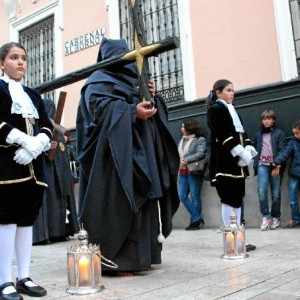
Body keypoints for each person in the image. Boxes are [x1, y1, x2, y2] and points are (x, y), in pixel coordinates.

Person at [76, 38, 180, 275]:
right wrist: (133, 111)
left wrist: (153, 98)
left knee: (143, 204)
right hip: (113, 158)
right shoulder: (98, 80)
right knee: (121, 203)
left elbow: (152, 110)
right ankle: (120, 260)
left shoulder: (138, 79)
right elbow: (98, 111)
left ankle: (144, 257)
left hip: (141, 151)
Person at [0, 42, 53, 300]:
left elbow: (45, 125)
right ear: (2, 63)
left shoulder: (34, 96)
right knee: (7, 220)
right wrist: (22, 140)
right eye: (13, 57)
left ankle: (23, 276)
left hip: (34, 170)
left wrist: (37, 145)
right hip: (7, 168)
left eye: (23, 58)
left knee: (26, 221)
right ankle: (4, 281)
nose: (20, 62)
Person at [206, 79, 257, 251]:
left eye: (233, 90)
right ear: (218, 92)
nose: (232, 93)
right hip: (225, 162)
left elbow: (242, 132)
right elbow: (221, 134)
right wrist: (239, 152)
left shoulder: (233, 109)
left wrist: (248, 149)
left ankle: (239, 238)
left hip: (238, 163)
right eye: (228, 90)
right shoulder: (215, 110)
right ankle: (230, 239)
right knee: (228, 198)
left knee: (238, 198)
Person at [32, 99, 79, 245]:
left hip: (61, 176)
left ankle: (61, 232)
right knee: (48, 204)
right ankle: (46, 235)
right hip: (48, 175)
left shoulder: (58, 131)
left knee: (60, 204)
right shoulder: (40, 129)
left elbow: (66, 143)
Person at [253, 110, 286, 231]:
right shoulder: (258, 134)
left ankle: (276, 217)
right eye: (264, 119)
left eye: (269, 118)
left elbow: (283, 150)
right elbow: (256, 149)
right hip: (262, 165)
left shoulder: (279, 133)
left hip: (275, 166)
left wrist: (278, 165)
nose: (266, 121)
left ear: (274, 120)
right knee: (261, 191)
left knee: (276, 194)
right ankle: (266, 217)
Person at [178, 118, 206, 230]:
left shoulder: (200, 140)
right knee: (182, 195)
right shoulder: (182, 140)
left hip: (193, 171)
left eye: (183, 127)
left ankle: (195, 222)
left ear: (189, 128)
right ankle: (197, 217)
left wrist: (186, 160)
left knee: (195, 196)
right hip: (182, 171)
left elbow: (200, 153)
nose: (181, 129)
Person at [272, 120, 300, 228]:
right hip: (294, 174)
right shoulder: (292, 142)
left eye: (297, 133)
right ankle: (296, 220)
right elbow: (285, 153)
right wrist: (275, 162)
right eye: (294, 133)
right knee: (293, 200)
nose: (295, 135)